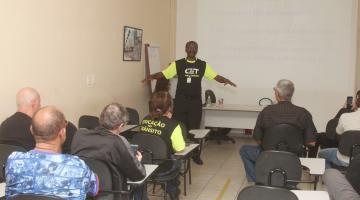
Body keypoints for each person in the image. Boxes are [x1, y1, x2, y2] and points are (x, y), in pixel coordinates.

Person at [143, 41, 236, 165]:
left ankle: (195, 154)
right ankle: (177, 151)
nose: (192, 49)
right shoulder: (178, 64)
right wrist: (151, 76)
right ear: (186, 49)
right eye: (189, 47)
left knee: (195, 129)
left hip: (195, 102)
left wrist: (226, 80)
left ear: (197, 50)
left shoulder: (202, 65)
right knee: (178, 126)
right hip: (181, 100)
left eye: (194, 48)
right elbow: (164, 74)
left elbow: (215, 76)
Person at [5, 106, 99, 200]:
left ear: (31, 130)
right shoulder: (77, 166)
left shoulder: (13, 161)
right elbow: (95, 189)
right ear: (62, 132)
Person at [239, 79, 317, 182]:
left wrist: (268, 145)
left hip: (268, 155)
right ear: (291, 94)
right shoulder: (303, 113)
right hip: (293, 157)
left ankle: (257, 180)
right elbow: (311, 142)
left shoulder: (266, 112)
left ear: (277, 94)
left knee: (244, 150)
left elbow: (257, 138)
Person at [71, 103, 146, 192]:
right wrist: (138, 161)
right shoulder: (117, 142)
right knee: (140, 185)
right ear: (121, 125)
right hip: (111, 193)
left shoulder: (79, 135)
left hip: (83, 192)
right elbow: (137, 175)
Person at [139, 91, 185, 200]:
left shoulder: (145, 119)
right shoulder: (174, 125)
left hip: (144, 165)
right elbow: (180, 148)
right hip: (164, 168)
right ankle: (173, 191)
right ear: (169, 107)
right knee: (177, 159)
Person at [0, 87, 74, 153]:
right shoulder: (38, 127)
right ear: (34, 104)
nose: (40, 106)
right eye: (39, 103)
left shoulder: (3, 126)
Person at [318, 96, 360, 168]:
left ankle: (332, 176)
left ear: (357, 102)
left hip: (345, 159)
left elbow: (338, 136)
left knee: (321, 154)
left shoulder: (345, 116)